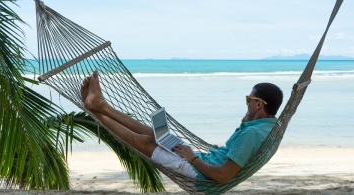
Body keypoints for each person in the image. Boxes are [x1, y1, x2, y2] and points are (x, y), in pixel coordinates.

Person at [81, 70, 283, 184]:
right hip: (203, 161)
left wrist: (192, 157)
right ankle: (102, 106)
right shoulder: (265, 127)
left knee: (145, 141)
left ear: (259, 104)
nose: (246, 102)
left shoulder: (253, 134)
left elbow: (223, 176)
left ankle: (95, 110)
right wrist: (247, 119)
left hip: (200, 174)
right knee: (155, 134)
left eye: (249, 98)